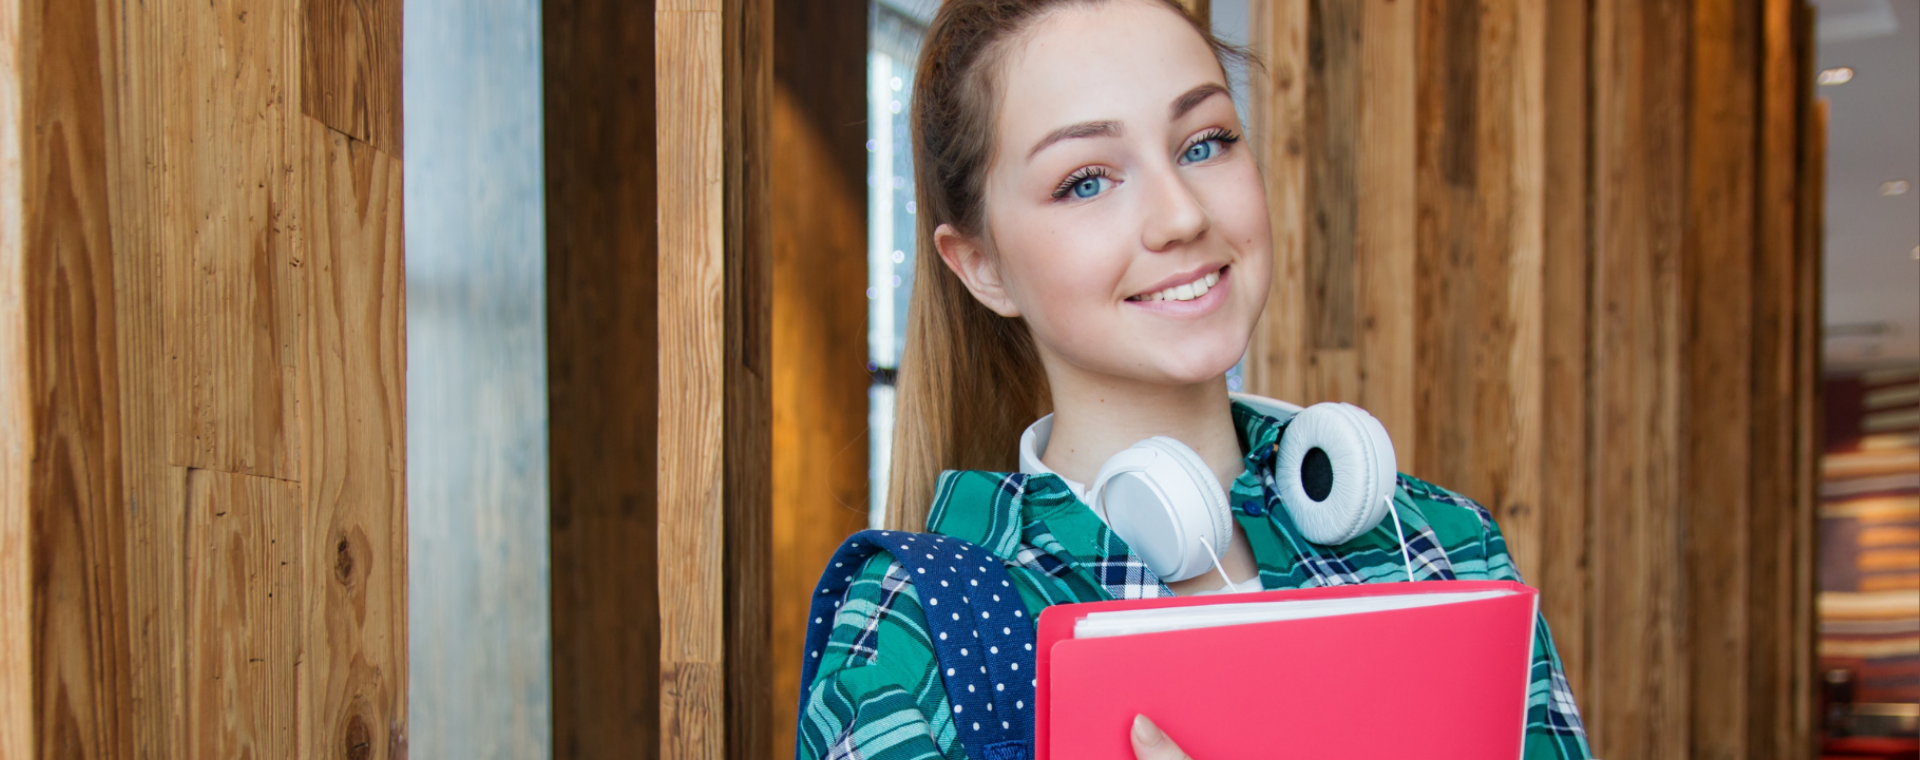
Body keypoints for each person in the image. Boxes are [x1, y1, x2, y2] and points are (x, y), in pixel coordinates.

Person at [795, 1, 1592, 758]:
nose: (1180, 215)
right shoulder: (915, 630)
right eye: (1087, 181)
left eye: (1204, 142)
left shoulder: (1441, 547)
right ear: (982, 267)